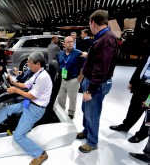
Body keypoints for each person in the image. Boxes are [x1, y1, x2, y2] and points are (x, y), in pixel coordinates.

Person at [0, 51, 52, 165]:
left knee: (18, 136)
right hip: (29, 103)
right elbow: (25, 85)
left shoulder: (43, 77)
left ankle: (40, 154)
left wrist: (16, 90)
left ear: (38, 63)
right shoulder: (37, 73)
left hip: (35, 109)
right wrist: (13, 82)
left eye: (30, 63)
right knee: (6, 110)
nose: (29, 65)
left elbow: (32, 95)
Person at [76, 10, 118, 153]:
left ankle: (92, 142)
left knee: (92, 114)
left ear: (93, 23)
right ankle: (87, 132)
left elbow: (101, 68)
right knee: (85, 110)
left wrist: (90, 90)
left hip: (96, 84)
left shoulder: (106, 40)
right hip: (92, 81)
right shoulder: (103, 37)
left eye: (89, 23)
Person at [109, 46, 150, 143]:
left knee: (148, 113)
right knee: (133, 107)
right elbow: (141, 67)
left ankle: (142, 134)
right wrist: (132, 81)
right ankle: (126, 125)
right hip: (141, 84)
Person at [57, 36, 86, 119]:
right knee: (61, 97)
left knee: (72, 98)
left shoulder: (78, 53)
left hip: (73, 80)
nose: (70, 43)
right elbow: (59, 65)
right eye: (68, 42)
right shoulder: (60, 54)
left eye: (72, 42)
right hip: (62, 79)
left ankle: (71, 113)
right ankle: (61, 111)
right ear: (64, 44)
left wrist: (80, 78)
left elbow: (84, 67)